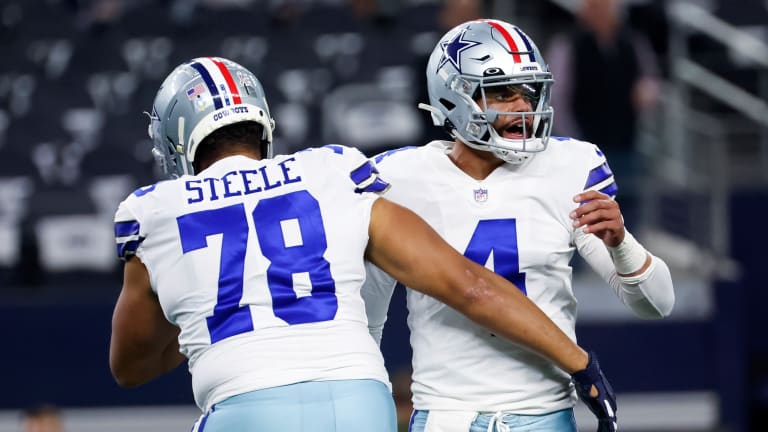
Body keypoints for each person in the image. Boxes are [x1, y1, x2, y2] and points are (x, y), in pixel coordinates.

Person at [109, 56, 616, 432]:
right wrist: (577, 361)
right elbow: (468, 285)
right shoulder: (329, 172)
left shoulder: (155, 211)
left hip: (245, 406)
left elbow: (129, 367)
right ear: (262, 124)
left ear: (176, 139)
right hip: (362, 405)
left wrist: (213, 313)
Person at [362, 19, 675, 432]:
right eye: (503, 93)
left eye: (527, 92)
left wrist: (621, 244)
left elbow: (656, 304)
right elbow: (368, 318)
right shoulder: (399, 179)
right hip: (446, 415)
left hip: (544, 414)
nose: (523, 107)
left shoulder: (570, 167)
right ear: (455, 96)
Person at [546, 0, 661, 219]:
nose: (601, 12)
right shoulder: (568, 45)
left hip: (626, 144)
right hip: (586, 148)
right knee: (587, 218)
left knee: (628, 215)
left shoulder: (632, 43)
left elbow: (650, 79)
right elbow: (557, 98)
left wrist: (647, 93)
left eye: (606, 6)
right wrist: (574, 142)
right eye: (594, 6)